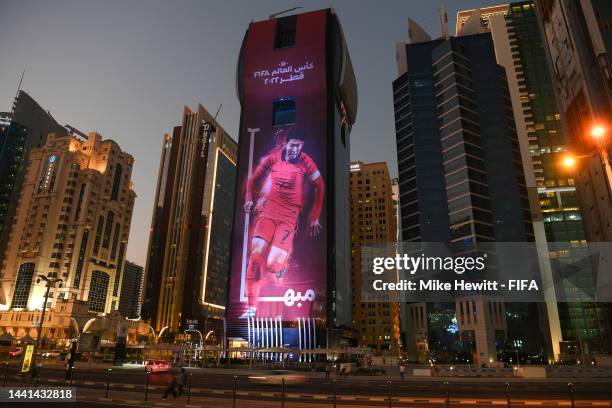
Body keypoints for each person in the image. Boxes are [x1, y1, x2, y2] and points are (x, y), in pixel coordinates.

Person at [240, 128, 325, 318]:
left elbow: (320, 185)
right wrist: (249, 198)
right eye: (293, 145)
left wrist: (315, 215)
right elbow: (253, 179)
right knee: (255, 256)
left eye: (299, 146)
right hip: (269, 212)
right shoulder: (273, 158)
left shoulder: (306, 162)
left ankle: (281, 265)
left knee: (272, 265)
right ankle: (252, 306)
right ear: (286, 143)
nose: (296, 149)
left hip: (289, 217)